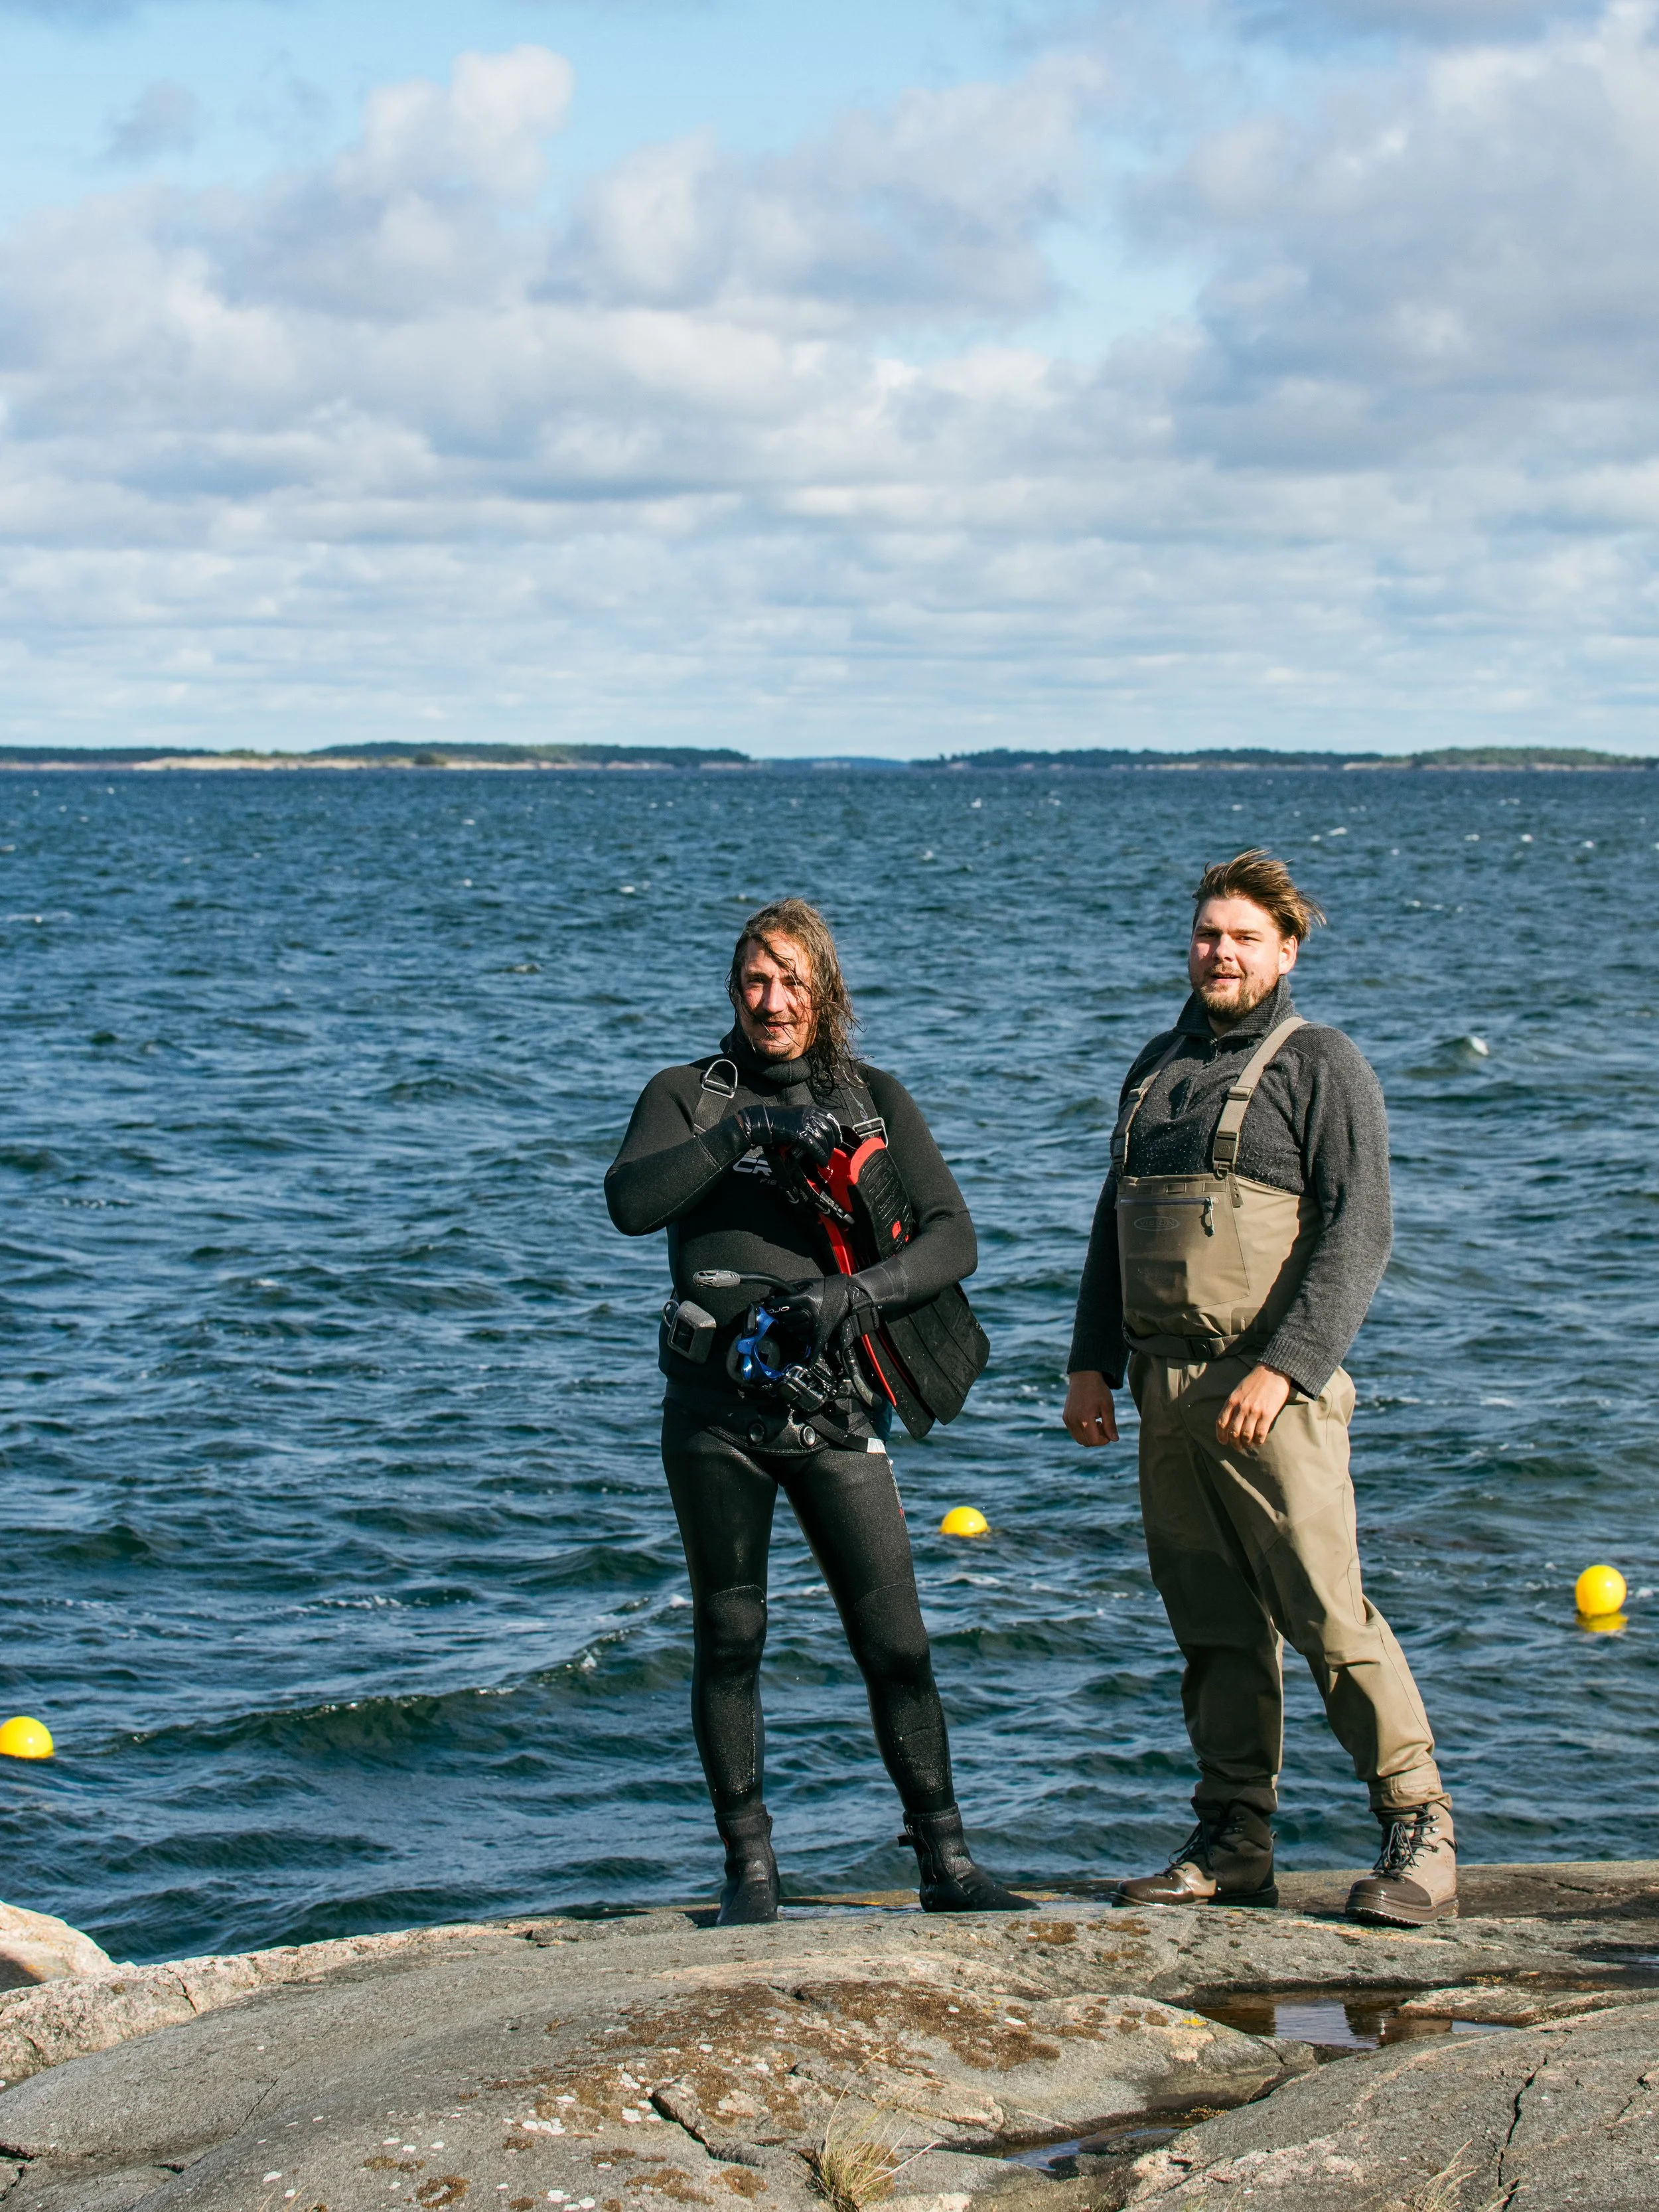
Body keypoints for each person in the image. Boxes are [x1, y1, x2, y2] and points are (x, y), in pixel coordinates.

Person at [605, 897, 1025, 1925]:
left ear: (825, 990)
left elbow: (953, 1237)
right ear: (733, 992)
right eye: (756, 979)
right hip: (713, 1413)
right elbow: (629, 1203)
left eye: (794, 979)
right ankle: (752, 1871)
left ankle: (946, 1861)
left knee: (897, 1644)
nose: (773, 1000)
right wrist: (748, 1125)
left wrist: (854, 1295)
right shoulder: (685, 1096)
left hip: (834, 1406)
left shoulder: (872, 1098)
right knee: (731, 1636)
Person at [1062, 851, 1454, 1927]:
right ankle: (1234, 1836)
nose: (1219, 952)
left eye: (1241, 937)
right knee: (1212, 1622)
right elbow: (1113, 1220)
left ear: (1287, 951)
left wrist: (1284, 1368)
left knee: (1328, 1612)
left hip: (1270, 1391)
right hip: (1162, 1391)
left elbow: (1360, 1229)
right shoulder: (1154, 1067)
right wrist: (1090, 1360)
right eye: (1206, 934)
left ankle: (1421, 1830)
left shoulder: (1320, 1065)